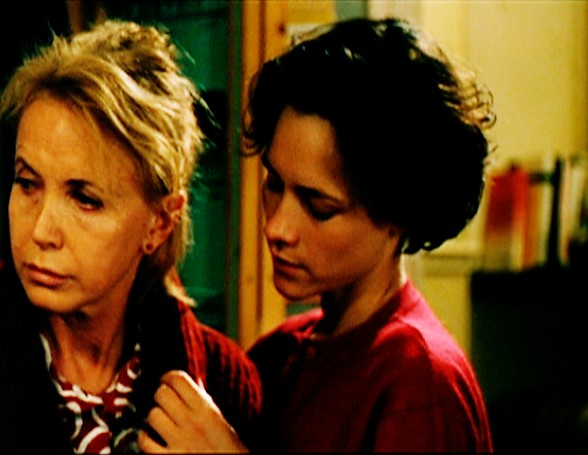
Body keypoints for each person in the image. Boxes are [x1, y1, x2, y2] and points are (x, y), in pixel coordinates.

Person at [138, 17, 495, 453]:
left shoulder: (420, 385)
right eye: (274, 185)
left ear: (397, 214)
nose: (276, 228)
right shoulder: (278, 357)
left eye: (319, 207)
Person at [0, 19, 261, 453]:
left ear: (159, 223)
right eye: (27, 183)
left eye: (85, 199)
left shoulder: (225, 385)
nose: (41, 231)